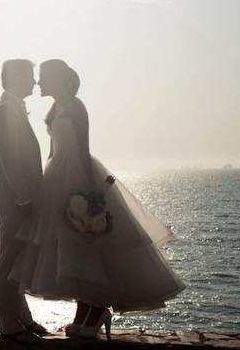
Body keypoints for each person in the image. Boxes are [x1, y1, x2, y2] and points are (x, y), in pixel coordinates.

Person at [10, 59, 185, 340]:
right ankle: (84, 314)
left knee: (89, 244)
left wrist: (89, 191)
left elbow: (82, 148)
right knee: (70, 246)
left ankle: (97, 310)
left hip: (78, 176)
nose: (39, 83)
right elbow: (53, 151)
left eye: (43, 78)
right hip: (57, 178)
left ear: (58, 79)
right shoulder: (55, 108)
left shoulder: (76, 106)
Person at [0, 59, 47, 344]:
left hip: (19, 198)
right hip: (13, 199)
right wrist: (23, 197)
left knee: (17, 259)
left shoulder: (11, 109)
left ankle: (22, 317)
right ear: (15, 78)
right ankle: (9, 323)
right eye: (29, 76)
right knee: (8, 260)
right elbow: (10, 161)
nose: (34, 82)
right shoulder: (4, 111)